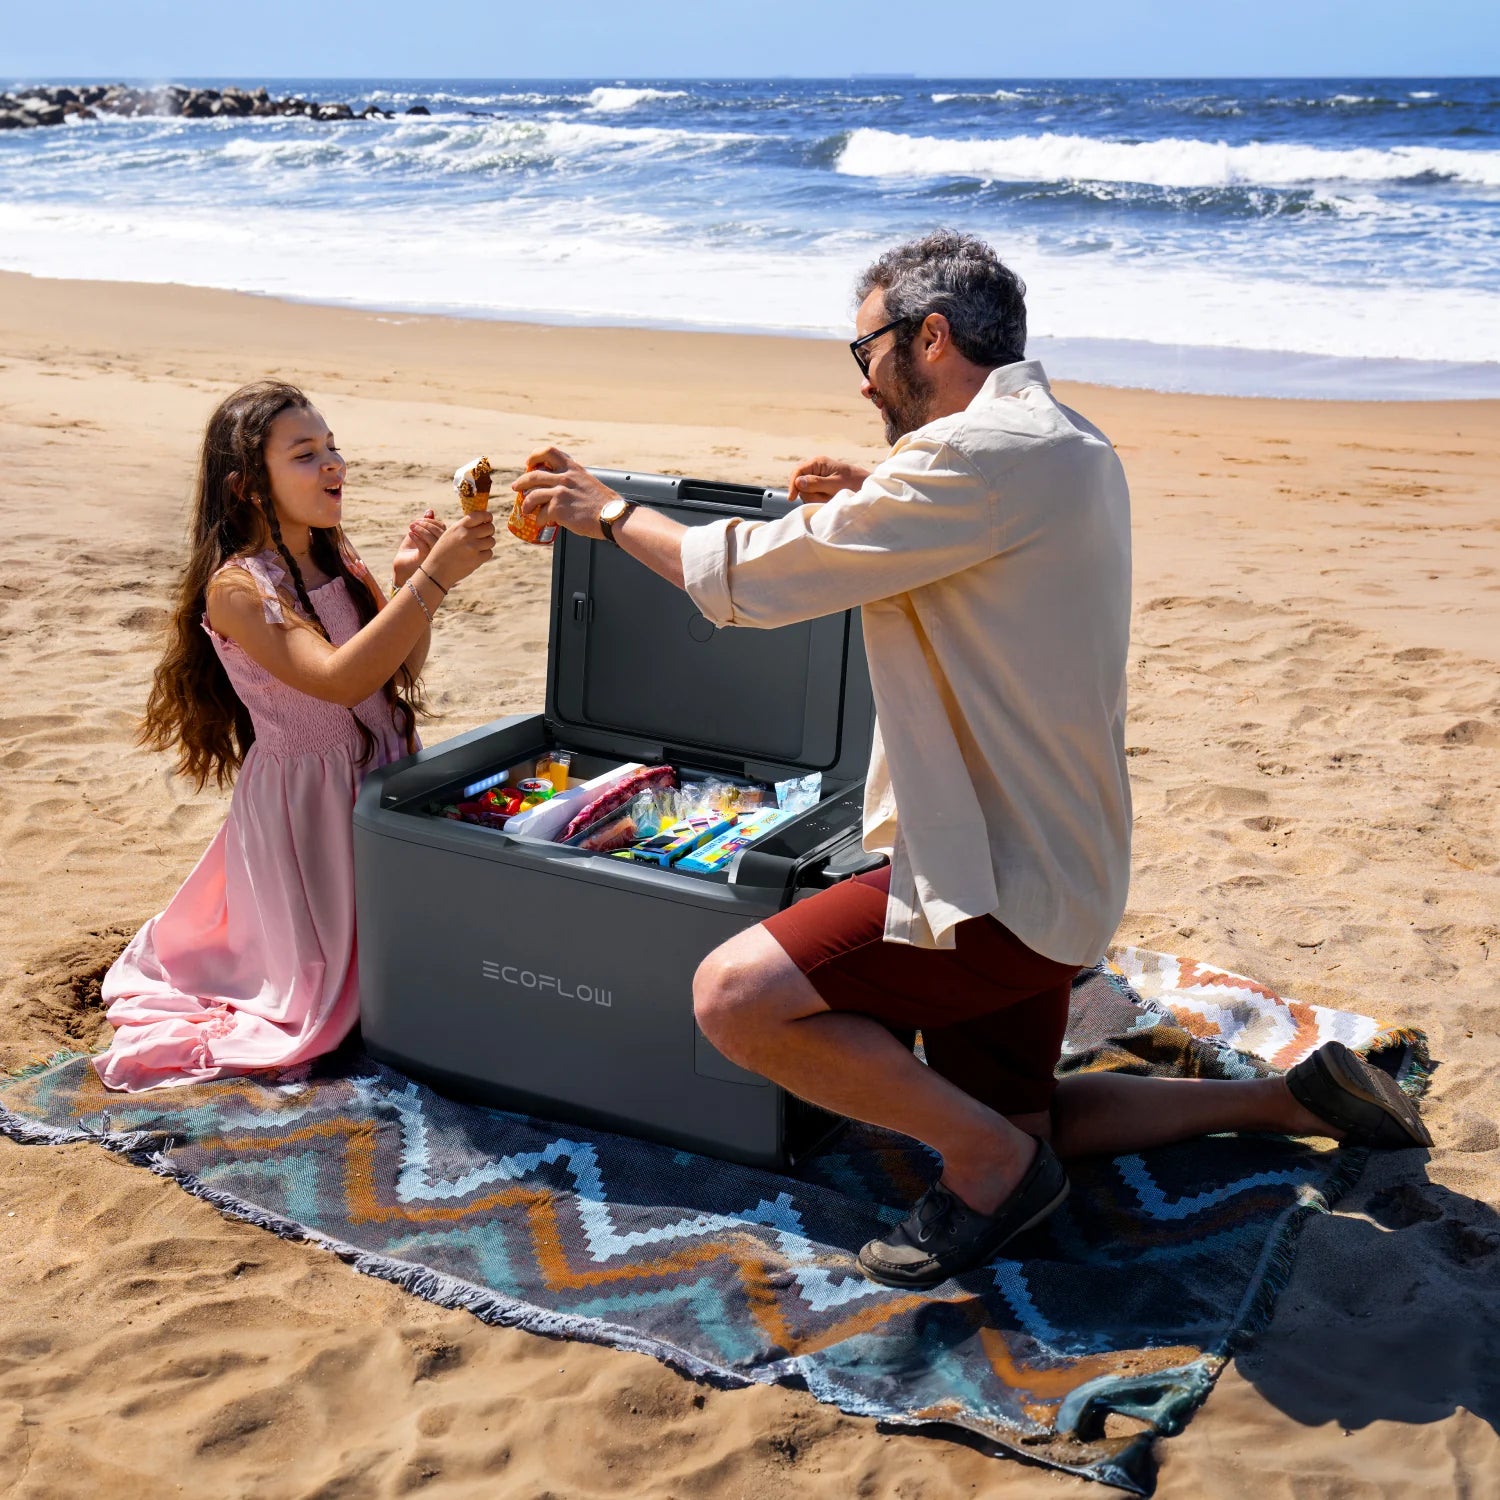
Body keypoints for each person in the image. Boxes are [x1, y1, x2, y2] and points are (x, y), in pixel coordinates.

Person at [512, 229, 1432, 1287]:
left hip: (990, 886)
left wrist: (612, 511)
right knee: (1033, 1122)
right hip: (1065, 873)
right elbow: (989, 542)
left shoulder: (972, 463)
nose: (863, 386)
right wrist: (873, 498)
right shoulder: (1066, 443)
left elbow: (756, 582)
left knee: (734, 999)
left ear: (930, 336)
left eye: (865, 355)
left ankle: (986, 1167)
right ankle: (1286, 1099)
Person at [94, 380, 495, 1092]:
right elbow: (337, 680)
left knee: (397, 964)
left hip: (381, 773)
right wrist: (432, 579)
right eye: (306, 454)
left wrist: (407, 584)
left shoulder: (335, 555)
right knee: (318, 1002)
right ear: (248, 486)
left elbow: (397, 669)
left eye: (332, 446)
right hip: (308, 800)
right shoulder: (239, 589)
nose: (332, 463)